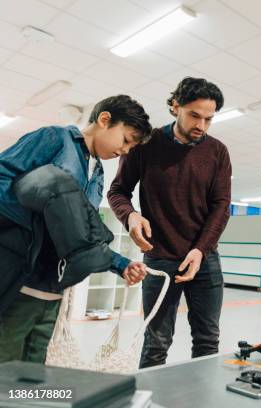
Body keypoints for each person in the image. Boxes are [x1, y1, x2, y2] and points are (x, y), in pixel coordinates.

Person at [0, 95, 151, 363]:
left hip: (52, 293)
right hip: (19, 284)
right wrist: (39, 220)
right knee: (4, 372)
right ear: (105, 119)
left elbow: (83, 231)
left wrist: (121, 265)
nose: (126, 150)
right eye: (126, 140)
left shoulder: (98, 175)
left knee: (30, 380)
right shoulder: (55, 139)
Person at [108, 77, 232, 368]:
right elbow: (117, 192)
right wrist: (131, 215)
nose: (201, 125)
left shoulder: (217, 151)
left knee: (207, 340)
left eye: (209, 119)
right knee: (156, 343)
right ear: (175, 106)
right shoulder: (145, 145)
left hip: (204, 259)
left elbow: (221, 205)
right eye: (194, 115)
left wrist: (201, 249)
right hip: (159, 257)